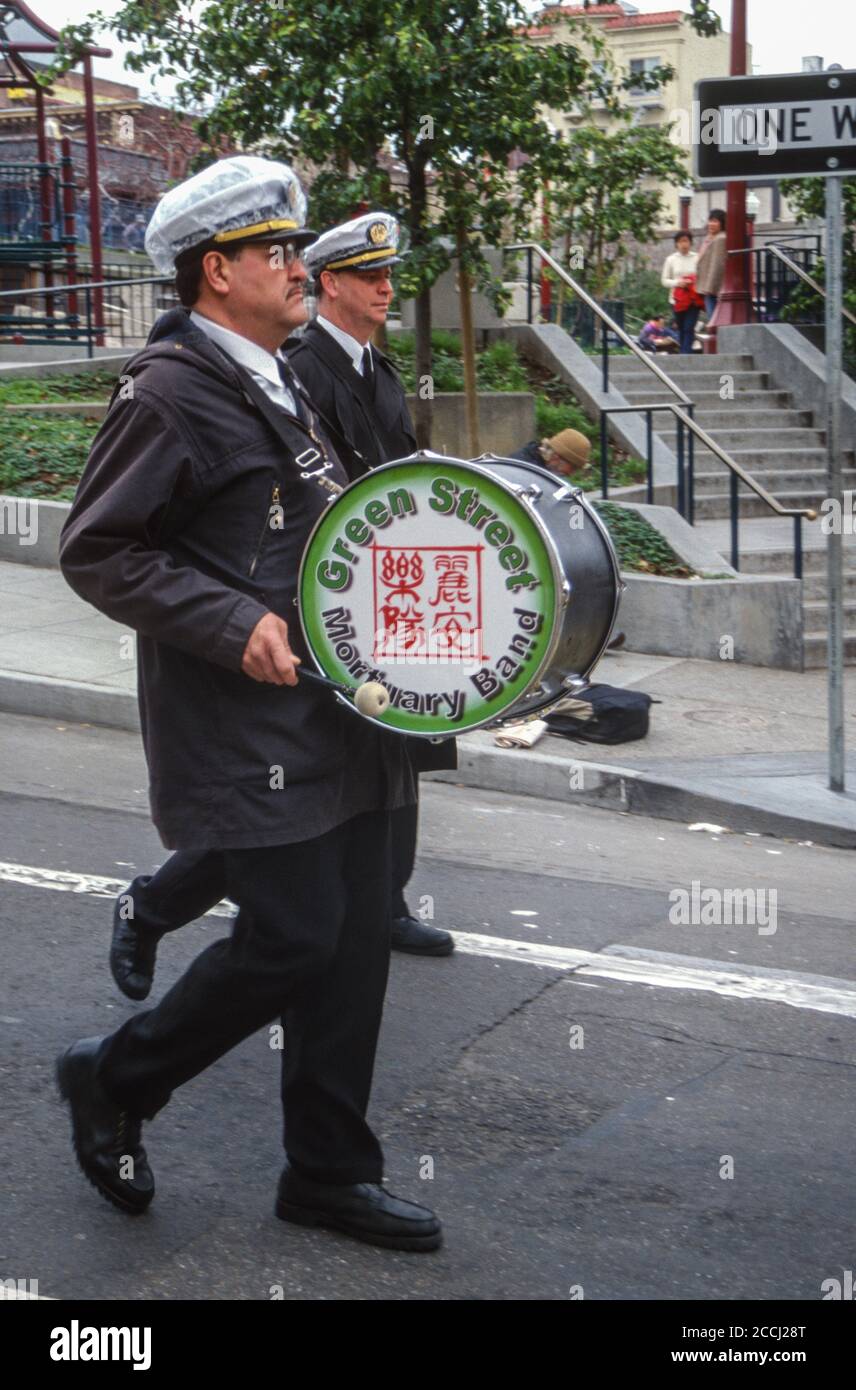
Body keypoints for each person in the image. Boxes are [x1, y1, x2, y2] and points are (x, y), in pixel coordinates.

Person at [55, 156, 441, 1252]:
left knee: (356, 939)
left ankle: (326, 1171)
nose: (297, 266)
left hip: (341, 703)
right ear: (216, 272)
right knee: (294, 937)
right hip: (243, 719)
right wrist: (234, 624)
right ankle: (115, 1076)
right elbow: (101, 551)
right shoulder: (169, 389)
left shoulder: (284, 375)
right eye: (277, 251)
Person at [286, 213, 455, 958]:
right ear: (330, 283)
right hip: (336, 589)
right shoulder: (300, 365)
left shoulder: (375, 367)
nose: (387, 287)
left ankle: (385, 900)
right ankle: (162, 900)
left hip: (394, 583)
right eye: (370, 275)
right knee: (324, 761)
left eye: (389, 274)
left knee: (404, 734)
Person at [661, 230, 701, 354]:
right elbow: (664, 280)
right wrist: (678, 283)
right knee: (682, 327)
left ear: (690, 243)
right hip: (676, 300)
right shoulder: (671, 260)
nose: (684, 244)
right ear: (676, 244)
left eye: (686, 241)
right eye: (681, 241)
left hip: (693, 299)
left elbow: (703, 275)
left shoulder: (697, 258)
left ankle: (686, 353)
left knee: (689, 327)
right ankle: (684, 353)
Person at [512, 427, 591, 477]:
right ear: (556, 457)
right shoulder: (523, 469)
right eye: (573, 467)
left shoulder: (543, 467)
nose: (571, 473)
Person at [696, 208, 727, 320]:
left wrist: (710, 287)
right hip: (708, 285)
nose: (711, 224)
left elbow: (717, 264)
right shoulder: (710, 238)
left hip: (712, 288)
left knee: (713, 318)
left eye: (715, 221)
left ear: (722, 223)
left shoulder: (721, 238)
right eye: (710, 220)